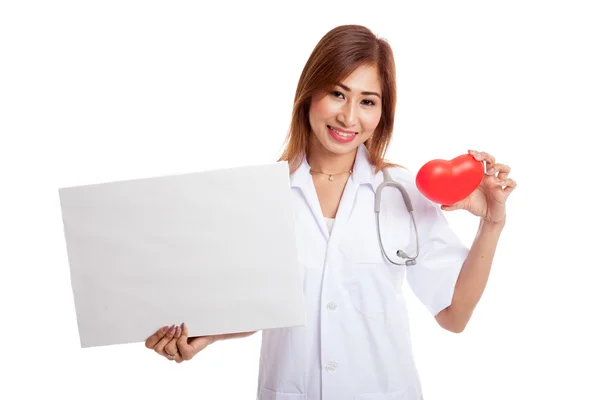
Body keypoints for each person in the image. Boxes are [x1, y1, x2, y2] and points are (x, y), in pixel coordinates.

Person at [145, 24, 517, 399]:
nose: (349, 117)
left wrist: (491, 221)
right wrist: (205, 335)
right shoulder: (263, 195)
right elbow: (257, 308)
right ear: (309, 94)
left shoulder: (401, 192)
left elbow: (454, 316)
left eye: (368, 101)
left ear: (382, 113)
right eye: (337, 94)